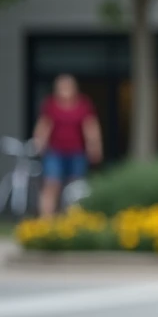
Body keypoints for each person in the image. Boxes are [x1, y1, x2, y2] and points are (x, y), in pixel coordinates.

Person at [30, 74, 103, 216]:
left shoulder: (83, 105)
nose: (65, 89)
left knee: (75, 187)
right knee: (52, 184)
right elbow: (44, 125)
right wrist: (39, 143)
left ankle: (72, 219)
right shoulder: (51, 104)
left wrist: (95, 145)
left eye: (68, 86)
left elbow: (90, 126)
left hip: (77, 152)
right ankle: (46, 220)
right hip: (55, 152)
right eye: (61, 86)